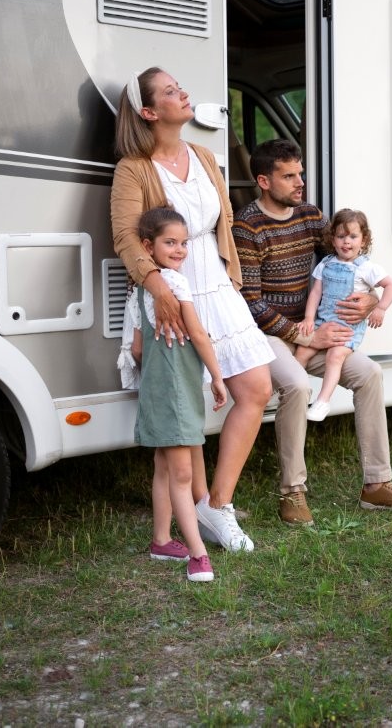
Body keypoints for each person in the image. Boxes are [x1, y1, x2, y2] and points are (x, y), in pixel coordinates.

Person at [111, 67, 274, 553]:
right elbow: (125, 237)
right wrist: (160, 290)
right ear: (148, 111)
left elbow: (221, 226)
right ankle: (198, 504)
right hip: (170, 290)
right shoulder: (133, 168)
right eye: (169, 91)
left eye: (179, 86)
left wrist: (234, 280)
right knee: (191, 401)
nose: (183, 93)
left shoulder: (203, 155)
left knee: (256, 388)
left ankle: (216, 505)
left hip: (216, 286)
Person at [232, 138, 392, 528]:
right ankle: (293, 491)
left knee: (369, 373)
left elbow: (346, 263)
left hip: (313, 329)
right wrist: (306, 336)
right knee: (297, 387)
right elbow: (251, 304)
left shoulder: (310, 216)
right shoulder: (247, 226)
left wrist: (372, 299)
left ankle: (377, 484)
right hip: (270, 334)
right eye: (289, 176)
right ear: (264, 181)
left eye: (300, 173)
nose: (300, 182)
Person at [128, 207, 229, 582]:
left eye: (183, 243)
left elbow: (137, 350)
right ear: (147, 245)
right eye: (170, 242)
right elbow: (198, 335)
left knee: (164, 466)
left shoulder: (138, 292)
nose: (180, 250)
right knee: (182, 473)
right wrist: (217, 376)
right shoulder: (176, 284)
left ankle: (160, 540)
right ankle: (198, 555)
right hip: (175, 390)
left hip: (156, 388)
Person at [296, 208, 392, 422]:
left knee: (335, 355)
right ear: (333, 240)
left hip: (347, 328)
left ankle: (323, 401)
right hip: (323, 322)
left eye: (353, 236)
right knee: (303, 350)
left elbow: (391, 285)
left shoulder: (367, 268)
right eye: (341, 236)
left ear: (364, 240)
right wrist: (308, 318)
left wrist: (380, 308)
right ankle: (289, 391)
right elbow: (315, 293)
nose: (346, 242)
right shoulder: (326, 264)